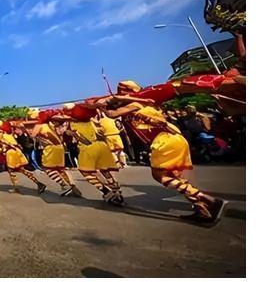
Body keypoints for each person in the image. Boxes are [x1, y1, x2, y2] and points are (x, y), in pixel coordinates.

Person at [105, 80, 226, 223]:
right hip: (173, 139)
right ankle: (202, 209)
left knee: (159, 175)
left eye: (121, 91)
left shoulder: (136, 104)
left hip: (164, 140)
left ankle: (207, 200)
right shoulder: (147, 102)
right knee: (176, 178)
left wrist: (108, 104)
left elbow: (111, 114)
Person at [30, 111, 82, 197]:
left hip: (50, 149)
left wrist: (41, 139)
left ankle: (64, 185)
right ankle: (74, 188)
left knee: (48, 169)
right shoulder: (51, 125)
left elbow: (33, 135)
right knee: (61, 169)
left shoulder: (39, 125)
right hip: (59, 147)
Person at [0, 121, 47, 195]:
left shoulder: (1, 135)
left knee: (12, 171)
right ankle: (38, 183)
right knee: (21, 170)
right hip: (16, 152)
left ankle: (17, 188)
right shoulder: (9, 134)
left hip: (11, 153)